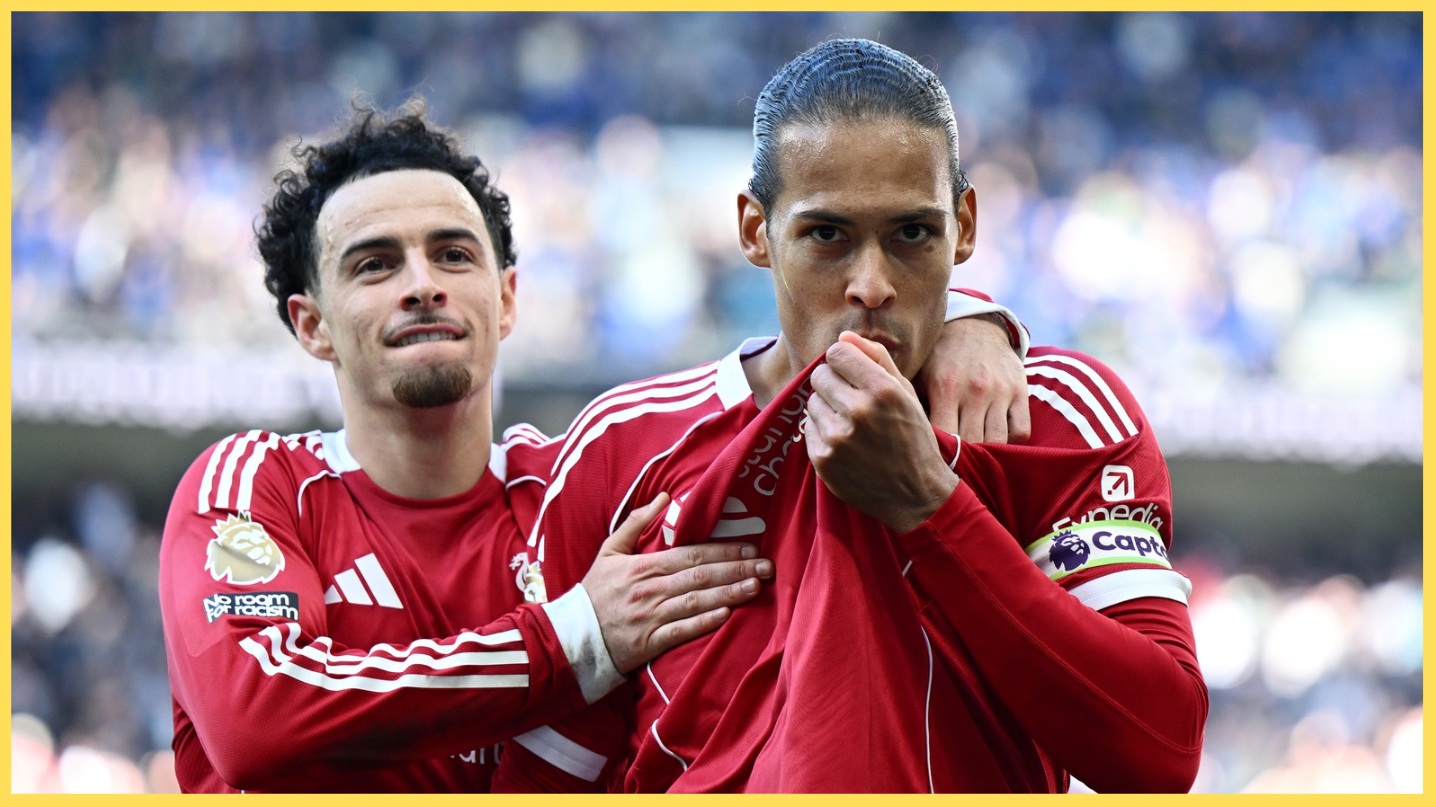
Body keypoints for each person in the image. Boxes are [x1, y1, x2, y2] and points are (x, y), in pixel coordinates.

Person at [157, 100, 1029, 792]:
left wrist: (963, 316)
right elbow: (255, 719)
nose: (422, 285)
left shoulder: (587, 482)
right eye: (375, 264)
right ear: (311, 324)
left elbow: (795, 388)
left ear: (505, 299)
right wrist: (575, 638)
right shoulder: (255, 486)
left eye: (452, 254)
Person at [493, 39, 1207, 793]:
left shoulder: (1054, 414)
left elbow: (1158, 753)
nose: (871, 284)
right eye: (827, 235)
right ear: (753, 230)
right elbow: (545, 779)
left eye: (912, 234)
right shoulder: (623, 446)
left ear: (963, 227)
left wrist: (931, 507)